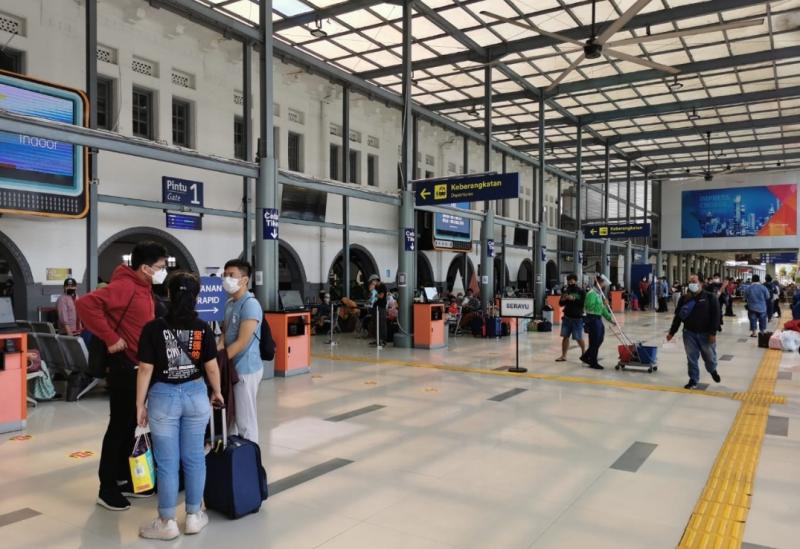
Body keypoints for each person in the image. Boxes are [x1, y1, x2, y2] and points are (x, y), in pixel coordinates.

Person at [76, 241, 167, 511]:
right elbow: (85, 304)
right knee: (119, 426)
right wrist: (111, 337)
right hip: (124, 367)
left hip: (139, 367)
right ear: (145, 268)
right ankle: (107, 487)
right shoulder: (125, 286)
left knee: (130, 425)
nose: (163, 271)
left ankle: (122, 477)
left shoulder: (144, 286)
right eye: (160, 267)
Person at [135, 272, 224, 540]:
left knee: (167, 462)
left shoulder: (153, 328)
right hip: (196, 395)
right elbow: (211, 366)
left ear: (169, 294)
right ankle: (195, 516)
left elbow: (145, 370)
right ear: (196, 297)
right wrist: (217, 392)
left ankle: (167, 522)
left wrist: (140, 404)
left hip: (163, 398)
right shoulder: (202, 327)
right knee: (195, 457)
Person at [221, 259, 263, 444]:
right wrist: (214, 355)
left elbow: (242, 342)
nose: (226, 278)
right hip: (231, 367)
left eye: (231, 275)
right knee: (231, 417)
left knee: (246, 420)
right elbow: (224, 335)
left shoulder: (250, 305)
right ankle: (234, 458)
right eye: (225, 275)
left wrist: (218, 361)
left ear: (244, 280)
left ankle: (251, 459)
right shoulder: (230, 303)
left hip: (245, 368)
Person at [667, 274, 722, 390]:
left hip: (706, 334)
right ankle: (693, 380)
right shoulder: (684, 298)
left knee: (709, 358)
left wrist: (713, 333)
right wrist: (672, 332)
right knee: (691, 358)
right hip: (689, 333)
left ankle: (712, 370)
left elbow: (716, 316)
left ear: (701, 283)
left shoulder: (710, 297)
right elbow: (678, 317)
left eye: (694, 281)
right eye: (690, 282)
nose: (692, 284)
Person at [580, 274, 615, 370]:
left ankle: (586, 356)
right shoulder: (591, 293)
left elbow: (603, 309)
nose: (604, 286)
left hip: (598, 319)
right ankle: (593, 361)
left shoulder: (599, 294)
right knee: (594, 341)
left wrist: (610, 319)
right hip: (592, 319)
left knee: (599, 340)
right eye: (603, 283)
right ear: (599, 283)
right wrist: (603, 304)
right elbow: (589, 307)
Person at [556, 274, 586, 363]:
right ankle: (563, 355)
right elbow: (560, 304)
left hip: (577, 318)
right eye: (569, 280)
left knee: (578, 338)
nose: (570, 282)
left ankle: (584, 354)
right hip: (567, 317)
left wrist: (573, 299)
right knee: (565, 337)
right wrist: (563, 299)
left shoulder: (581, 291)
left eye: (572, 280)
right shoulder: (566, 290)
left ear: (576, 281)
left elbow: (582, 304)